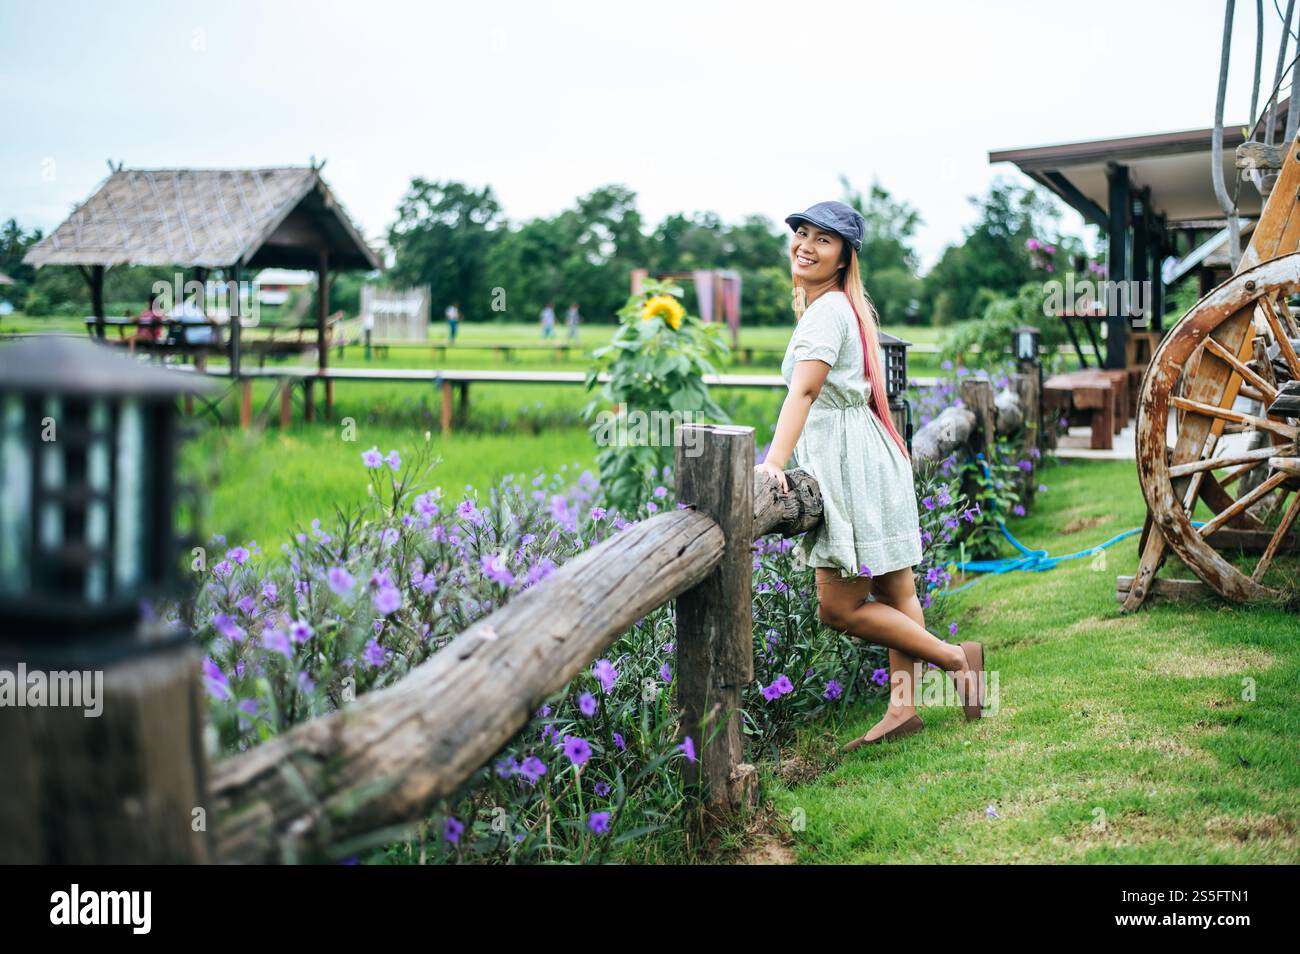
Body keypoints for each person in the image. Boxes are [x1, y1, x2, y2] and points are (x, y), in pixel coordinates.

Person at [753, 200, 988, 750]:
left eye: (823, 240)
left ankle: (957, 659)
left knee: (838, 607)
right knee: (895, 588)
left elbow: (805, 391)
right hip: (871, 454)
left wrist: (773, 463)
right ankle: (902, 710)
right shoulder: (844, 308)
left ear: (843, 258)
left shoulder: (828, 311)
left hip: (848, 463)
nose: (806, 245)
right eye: (802, 234)